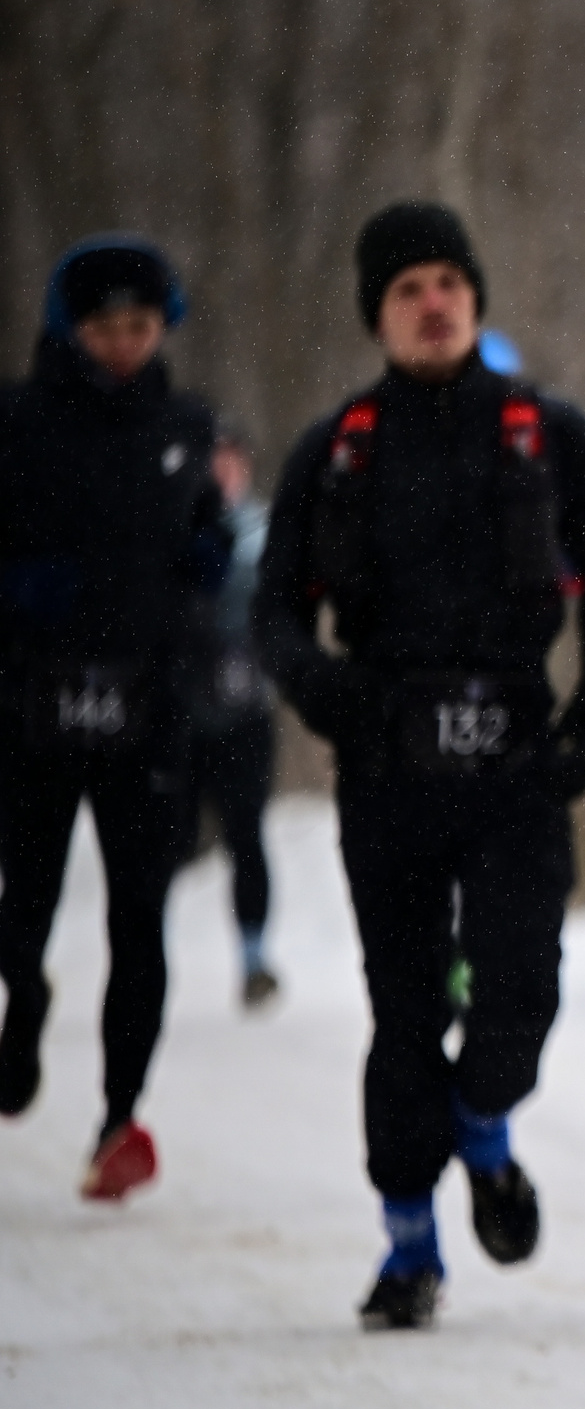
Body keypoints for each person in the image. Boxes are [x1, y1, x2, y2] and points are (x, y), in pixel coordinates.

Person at [255, 202, 585, 1332]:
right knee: (406, 1012)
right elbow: (273, 610)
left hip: (518, 764)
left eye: (449, 283)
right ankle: (408, 1247)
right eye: (408, 288)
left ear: (475, 297)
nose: (434, 303)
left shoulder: (546, 434)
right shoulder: (338, 449)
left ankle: (486, 1126)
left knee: (519, 996)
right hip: (387, 770)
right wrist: (321, 692)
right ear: (377, 313)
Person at [0, 233, 230, 1202]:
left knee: (144, 919)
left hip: (150, 711)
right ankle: (25, 1006)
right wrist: (26, 591)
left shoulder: (185, 426)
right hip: (33, 706)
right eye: (106, 328)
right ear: (71, 330)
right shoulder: (16, 424)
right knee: (28, 900)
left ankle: (118, 1115)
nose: (125, 345)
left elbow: (206, 543)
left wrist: (203, 576)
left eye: (141, 326)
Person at [188, 419, 281, 1008]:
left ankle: (253, 959)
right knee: (169, 842)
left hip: (247, 711)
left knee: (247, 837)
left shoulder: (268, 531)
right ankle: (149, 954)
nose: (224, 472)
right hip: (181, 711)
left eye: (232, 461)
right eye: (213, 461)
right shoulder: (176, 528)